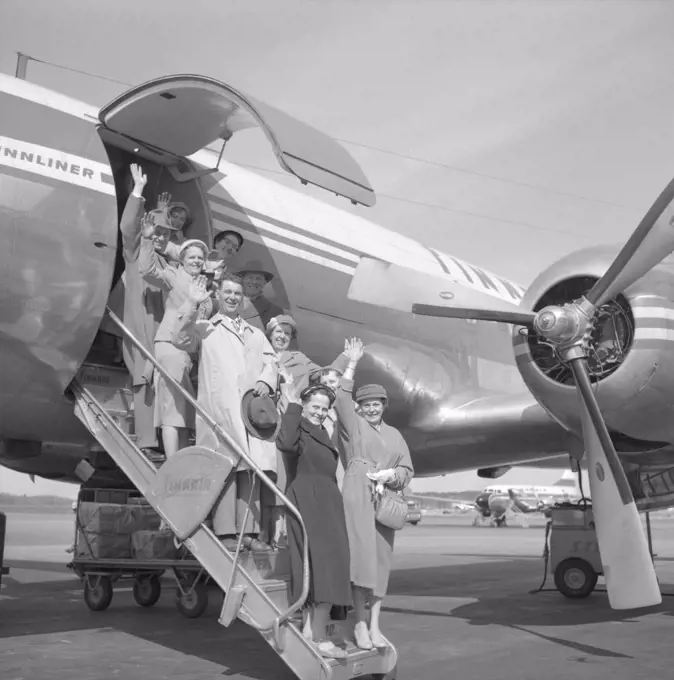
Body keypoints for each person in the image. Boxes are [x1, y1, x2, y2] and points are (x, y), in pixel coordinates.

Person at [170, 274, 279, 552]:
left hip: (250, 413)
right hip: (220, 411)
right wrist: (193, 303)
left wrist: (267, 379)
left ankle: (250, 533)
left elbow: (271, 361)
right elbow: (180, 338)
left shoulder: (256, 334)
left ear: (243, 299)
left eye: (237, 294)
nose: (232, 297)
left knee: (252, 471)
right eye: (227, 292)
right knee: (226, 470)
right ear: (218, 296)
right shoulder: (207, 329)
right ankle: (227, 532)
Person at [336, 338, 414, 650]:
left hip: (386, 498)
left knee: (381, 560)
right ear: (360, 408)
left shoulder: (395, 435)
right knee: (361, 559)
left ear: (384, 405)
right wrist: (351, 362)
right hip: (358, 490)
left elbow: (408, 469)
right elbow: (341, 396)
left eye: (376, 403)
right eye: (366, 404)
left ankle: (375, 624)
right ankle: (358, 624)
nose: (371, 408)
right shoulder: (353, 425)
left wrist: (392, 474)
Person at [276, 381, 351, 659]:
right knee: (322, 567)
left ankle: (311, 630)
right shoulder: (298, 426)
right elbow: (285, 443)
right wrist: (293, 406)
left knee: (332, 563)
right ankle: (319, 636)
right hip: (308, 502)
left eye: (324, 408)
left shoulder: (321, 431)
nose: (320, 412)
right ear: (305, 407)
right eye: (315, 407)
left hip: (327, 504)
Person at [112, 164, 182, 458]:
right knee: (143, 378)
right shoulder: (136, 252)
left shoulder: (170, 265)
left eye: (167, 233)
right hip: (140, 325)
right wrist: (138, 192)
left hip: (163, 329)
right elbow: (128, 228)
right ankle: (145, 441)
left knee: (163, 382)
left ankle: (168, 439)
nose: (162, 237)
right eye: (158, 232)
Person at [262, 315, 349, 548]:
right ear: (269, 334)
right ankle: (264, 532)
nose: (282, 337)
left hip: (289, 423)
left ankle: (281, 533)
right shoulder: (258, 353)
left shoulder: (299, 359)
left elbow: (325, 375)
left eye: (287, 334)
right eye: (278, 332)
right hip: (260, 424)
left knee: (285, 476)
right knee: (264, 477)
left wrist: (347, 358)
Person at [139, 234, 212, 458]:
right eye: (192, 257)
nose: (197, 261)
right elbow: (147, 270)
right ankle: (173, 460)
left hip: (190, 352)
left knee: (184, 409)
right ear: (182, 259)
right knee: (172, 406)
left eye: (200, 258)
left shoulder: (204, 286)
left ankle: (181, 457)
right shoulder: (174, 274)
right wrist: (149, 241)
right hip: (171, 344)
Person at [236, 260, 285, 332]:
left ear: (265, 282)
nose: (254, 282)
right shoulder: (229, 301)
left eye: (258, 278)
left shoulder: (275, 311)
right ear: (242, 279)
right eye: (250, 277)